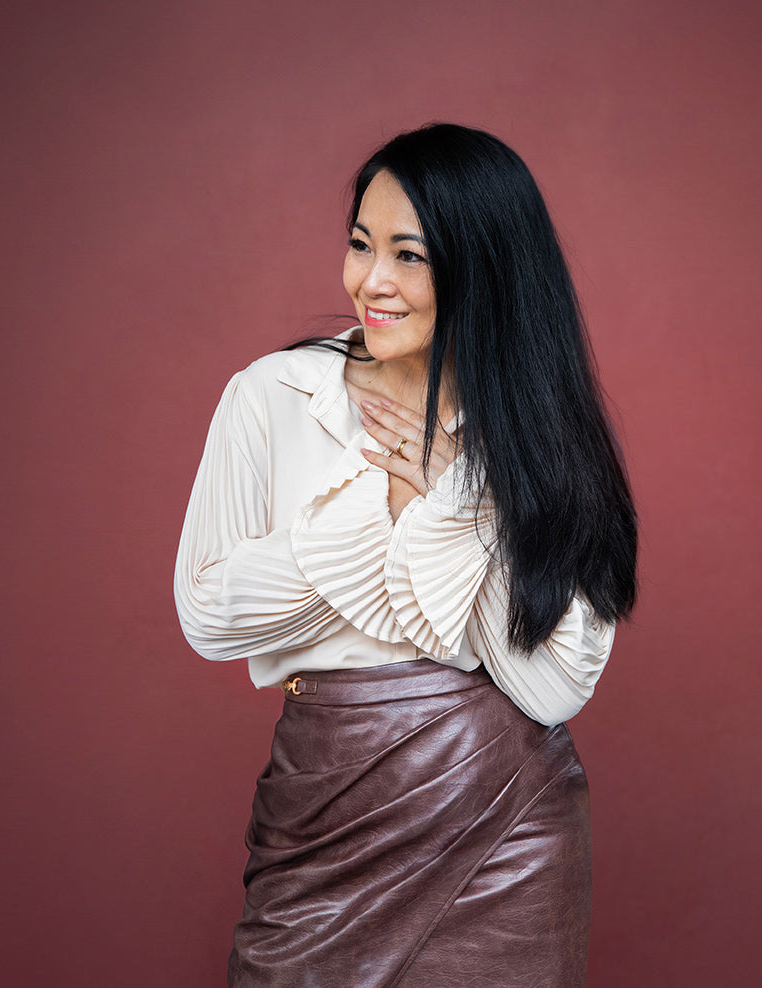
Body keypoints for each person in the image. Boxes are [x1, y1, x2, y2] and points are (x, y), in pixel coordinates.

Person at [174, 123, 637, 987]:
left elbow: (553, 683)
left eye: (409, 255)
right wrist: (372, 515)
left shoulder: (535, 428)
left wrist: (449, 503)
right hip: (323, 796)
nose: (370, 282)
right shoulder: (274, 397)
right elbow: (208, 614)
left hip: (506, 821)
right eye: (359, 244)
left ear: (484, 269)